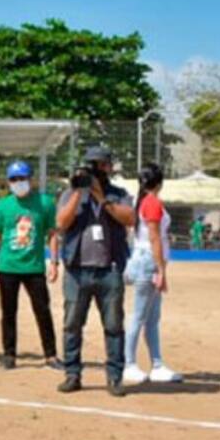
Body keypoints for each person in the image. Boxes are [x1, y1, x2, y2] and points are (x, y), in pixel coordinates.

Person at [56, 145, 136, 396]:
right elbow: (61, 223)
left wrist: (102, 198)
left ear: (109, 167)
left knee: (113, 326)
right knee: (72, 325)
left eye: (100, 165)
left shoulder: (118, 194)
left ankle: (114, 377)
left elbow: (129, 218)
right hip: (77, 271)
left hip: (109, 270)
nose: (95, 170)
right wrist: (79, 193)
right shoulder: (71, 193)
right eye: (91, 165)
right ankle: (72, 374)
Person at [0, 160, 60, 370]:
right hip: (7, 268)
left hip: (34, 268)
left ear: (31, 179)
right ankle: (9, 354)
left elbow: (52, 234)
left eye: (22, 178)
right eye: (14, 179)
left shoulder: (45, 203)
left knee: (43, 311)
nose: (18, 182)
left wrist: (54, 262)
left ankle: (51, 355)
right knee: (8, 312)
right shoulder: (2, 205)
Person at [122, 163, 180, 385]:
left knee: (151, 317)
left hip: (144, 258)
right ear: (160, 183)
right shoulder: (152, 202)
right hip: (148, 261)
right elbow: (155, 237)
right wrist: (161, 269)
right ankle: (128, 363)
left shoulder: (141, 201)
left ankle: (156, 364)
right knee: (139, 316)